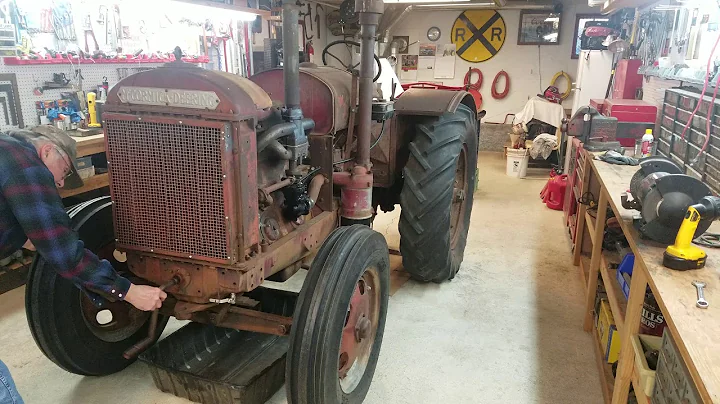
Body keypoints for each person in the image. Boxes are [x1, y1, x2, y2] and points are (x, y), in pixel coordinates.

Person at [0, 126, 168, 402]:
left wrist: (25, 238)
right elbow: (65, 254)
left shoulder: (7, 150)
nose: (61, 183)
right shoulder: (26, 166)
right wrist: (127, 291)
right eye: (64, 171)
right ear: (48, 150)